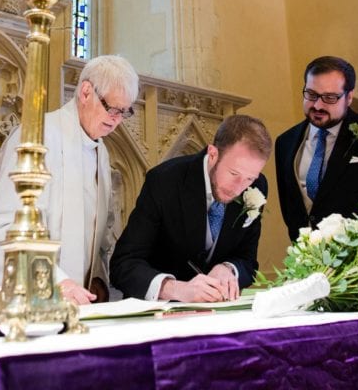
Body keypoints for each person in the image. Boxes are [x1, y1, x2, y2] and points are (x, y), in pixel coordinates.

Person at [0, 55, 139, 305]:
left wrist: (96, 277)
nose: (117, 120)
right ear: (86, 92)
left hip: (78, 302)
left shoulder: (101, 152)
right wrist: (54, 282)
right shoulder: (37, 137)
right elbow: (3, 228)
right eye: (112, 108)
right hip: (34, 300)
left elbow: (97, 234)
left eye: (125, 112)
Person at [110, 115, 271, 302]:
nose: (239, 188)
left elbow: (248, 261)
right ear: (213, 154)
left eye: (249, 178)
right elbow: (123, 264)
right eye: (234, 173)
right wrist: (175, 289)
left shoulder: (257, 187)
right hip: (161, 310)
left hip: (218, 310)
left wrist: (228, 268)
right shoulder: (164, 181)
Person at [274, 55, 358, 249]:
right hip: (309, 260)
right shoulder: (285, 142)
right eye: (311, 94)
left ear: (349, 97)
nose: (318, 105)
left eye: (330, 97)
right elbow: (291, 211)